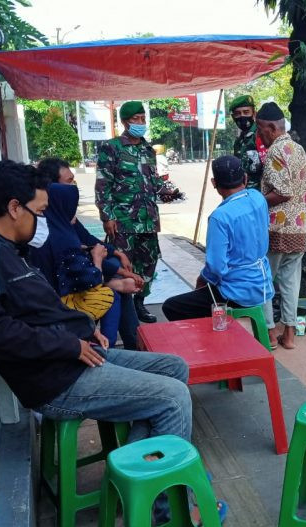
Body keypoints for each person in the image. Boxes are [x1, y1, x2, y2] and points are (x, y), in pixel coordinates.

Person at [0, 160, 194, 527]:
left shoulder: (11, 249)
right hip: (55, 379)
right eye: (41, 212)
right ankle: (167, 514)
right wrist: (66, 342)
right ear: (15, 208)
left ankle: (133, 475)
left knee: (173, 368)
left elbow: (41, 310)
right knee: (173, 398)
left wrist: (83, 330)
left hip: (74, 354)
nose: (43, 222)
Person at [95, 100, 180, 324]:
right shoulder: (111, 147)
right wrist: (107, 216)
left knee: (149, 262)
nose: (141, 123)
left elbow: (152, 182)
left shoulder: (147, 149)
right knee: (122, 265)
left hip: (148, 220)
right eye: (136, 119)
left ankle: (139, 303)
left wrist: (167, 192)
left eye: (143, 119)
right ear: (124, 122)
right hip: (122, 220)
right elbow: (103, 185)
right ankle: (121, 308)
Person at [29, 183, 142, 348]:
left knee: (114, 276)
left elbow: (85, 246)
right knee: (111, 296)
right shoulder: (63, 236)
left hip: (52, 297)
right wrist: (97, 259)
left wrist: (119, 268)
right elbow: (89, 279)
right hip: (59, 304)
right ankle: (106, 347)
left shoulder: (50, 228)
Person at [162, 156, 274, 321]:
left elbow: (216, 268)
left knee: (172, 306)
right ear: (245, 178)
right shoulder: (258, 198)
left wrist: (202, 280)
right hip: (263, 282)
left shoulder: (220, 217)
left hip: (237, 292)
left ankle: (213, 342)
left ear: (214, 184)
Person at [257, 102, 306, 350]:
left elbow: (283, 191)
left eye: (261, 130)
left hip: (276, 231)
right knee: (291, 282)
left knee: (264, 280)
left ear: (271, 127)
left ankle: (269, 334)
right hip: (299, 229)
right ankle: (289, 335)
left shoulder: (275, 152)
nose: (259, 135)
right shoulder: (298, 150)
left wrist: (256, 201)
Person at [230, 94, 265, 190]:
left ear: (254, 114)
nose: (242, 116)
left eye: (246, 112)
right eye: (238, 113)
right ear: (233, 117)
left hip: (260, 194)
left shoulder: (261, 135)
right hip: (244, 192)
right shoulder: (238, 141)